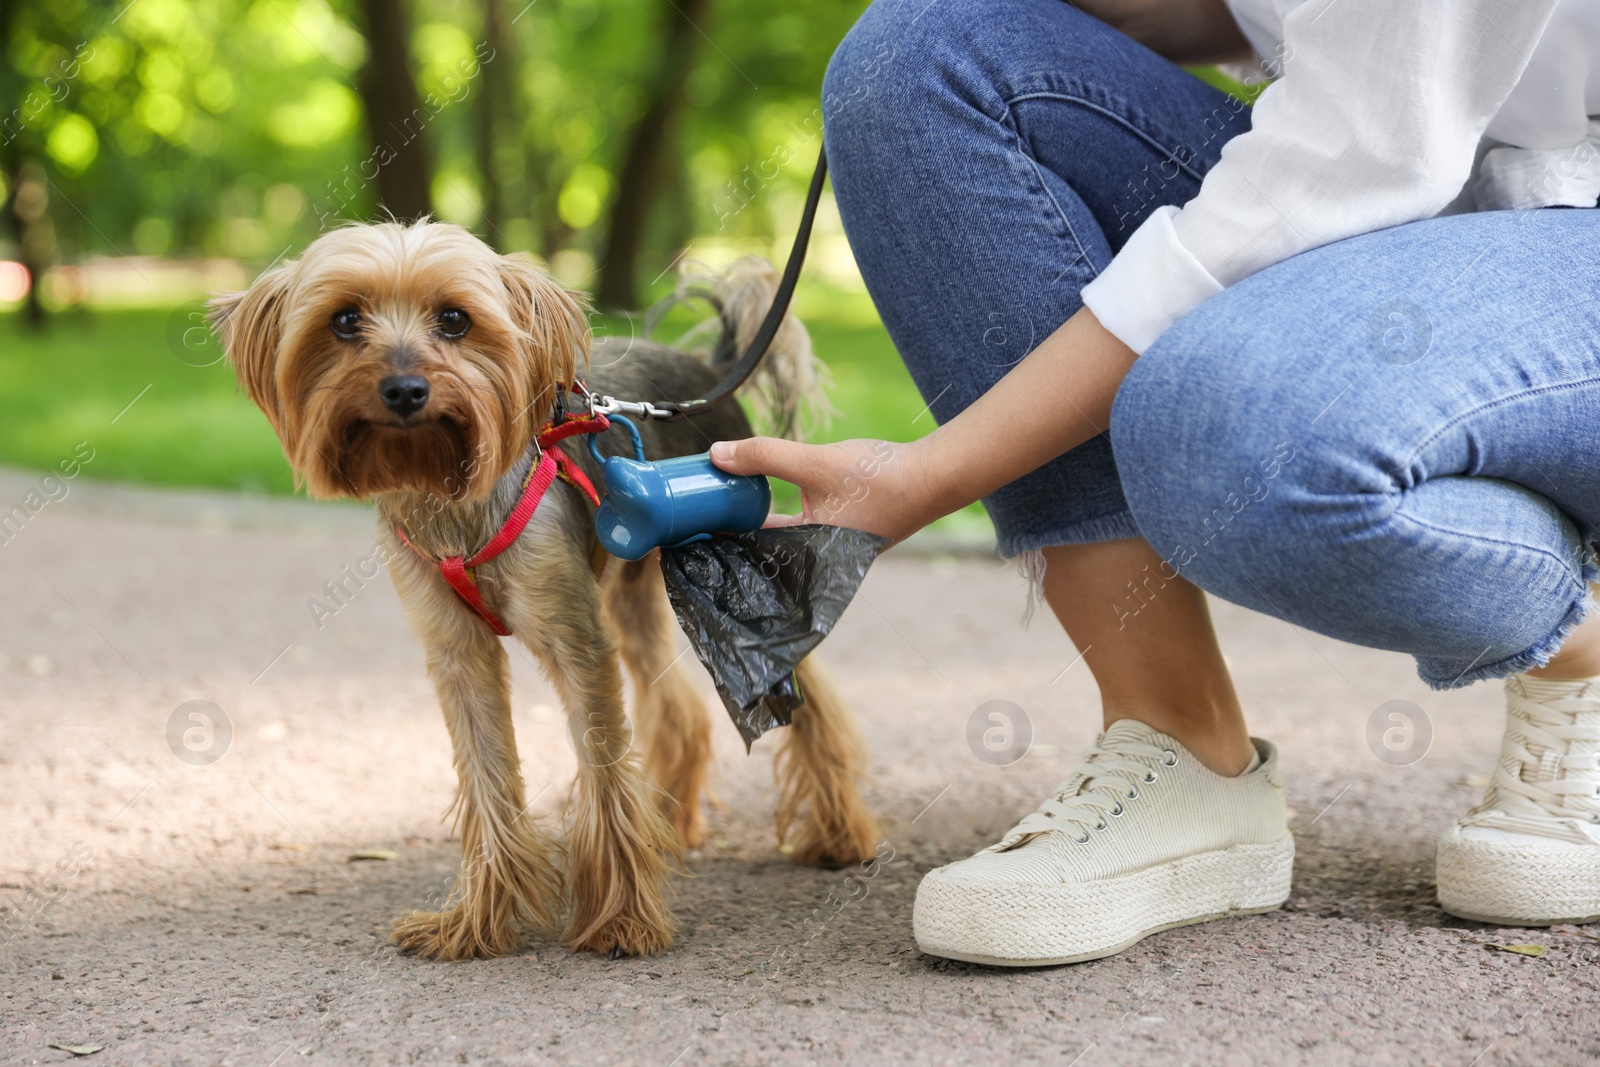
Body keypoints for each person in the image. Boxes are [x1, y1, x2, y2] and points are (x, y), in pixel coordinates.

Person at [710, 0, 1600, 966]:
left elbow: (1368, 145)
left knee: (1219, 423)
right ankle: (1178, 740)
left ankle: (1581, 648)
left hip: (1549, 214)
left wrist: (927, 475)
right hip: (1420, 175)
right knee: (918, 56)